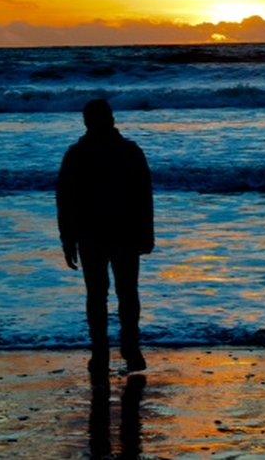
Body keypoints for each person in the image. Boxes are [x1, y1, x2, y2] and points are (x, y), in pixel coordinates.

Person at [57, 99, 154, 375]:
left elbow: (65, 201)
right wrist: (147, 235)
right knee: (125, 294)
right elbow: (144, 198)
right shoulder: (129, 151)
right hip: (118, 233)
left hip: (94, 235)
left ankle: (102, 353)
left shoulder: (78, 154)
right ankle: (128, 350)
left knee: (99, 296)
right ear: (110, 119)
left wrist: (68, 238)